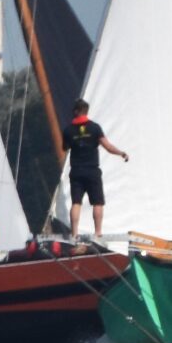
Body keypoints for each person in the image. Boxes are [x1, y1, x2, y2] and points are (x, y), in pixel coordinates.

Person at [64, 98, 128, 240]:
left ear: (76, 111)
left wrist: (77, 140)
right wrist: (121, 153)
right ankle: (98, 232)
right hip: (92, 170)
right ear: (86, 111)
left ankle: (74, 234)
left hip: (76, 171)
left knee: (76, 202)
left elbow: (65, 148)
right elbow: (107, 146)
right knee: (97, 202)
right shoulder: (95, 128)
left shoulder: (68, 130)